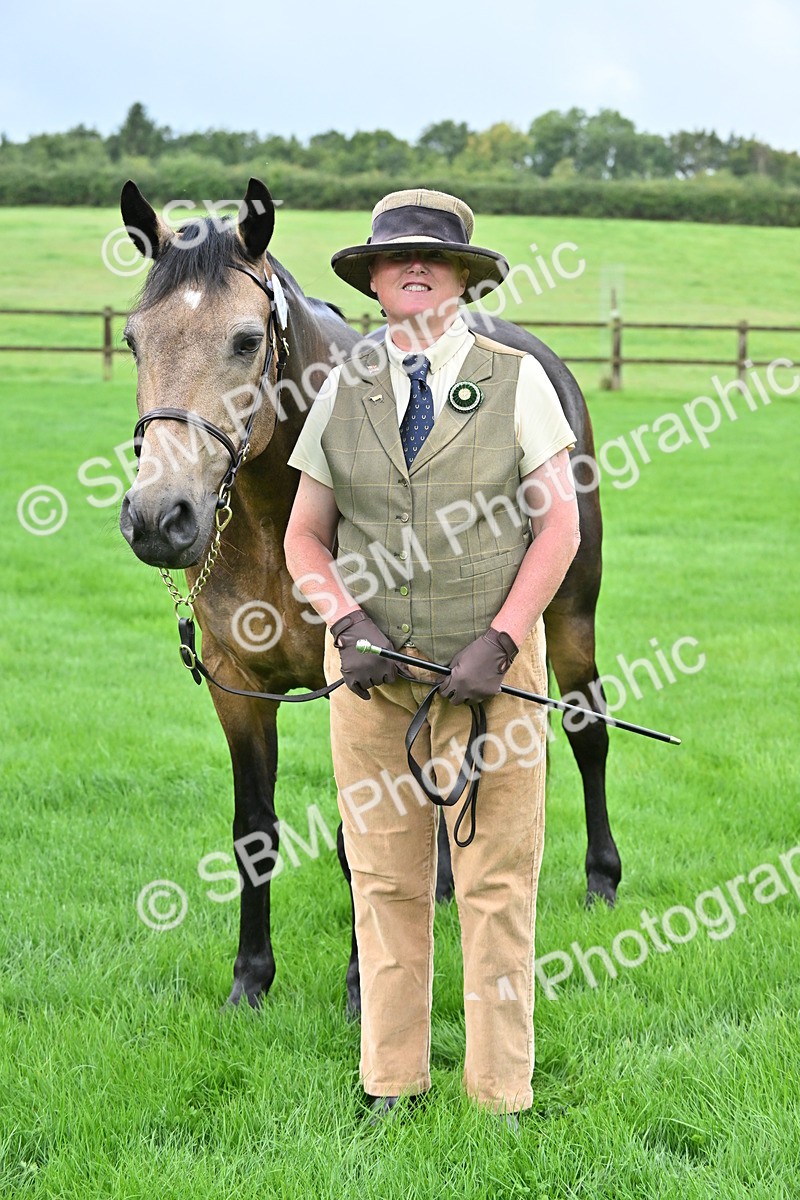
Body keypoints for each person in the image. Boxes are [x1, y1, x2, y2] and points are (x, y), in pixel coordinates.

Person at [283, 189, 580, 1126]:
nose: (414, 269)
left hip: (494, 685)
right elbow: (303, 539)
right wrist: (346, 626)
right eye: (395, 258)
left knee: (497, 884)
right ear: (372, 280)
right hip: (373, 690)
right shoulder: (339, 391)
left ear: (464, 278)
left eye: (434, 258)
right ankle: (390, 1088)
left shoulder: (514, 379)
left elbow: (559, 524)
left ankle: (501, 1097)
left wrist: (504, 638)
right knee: (384, 884)